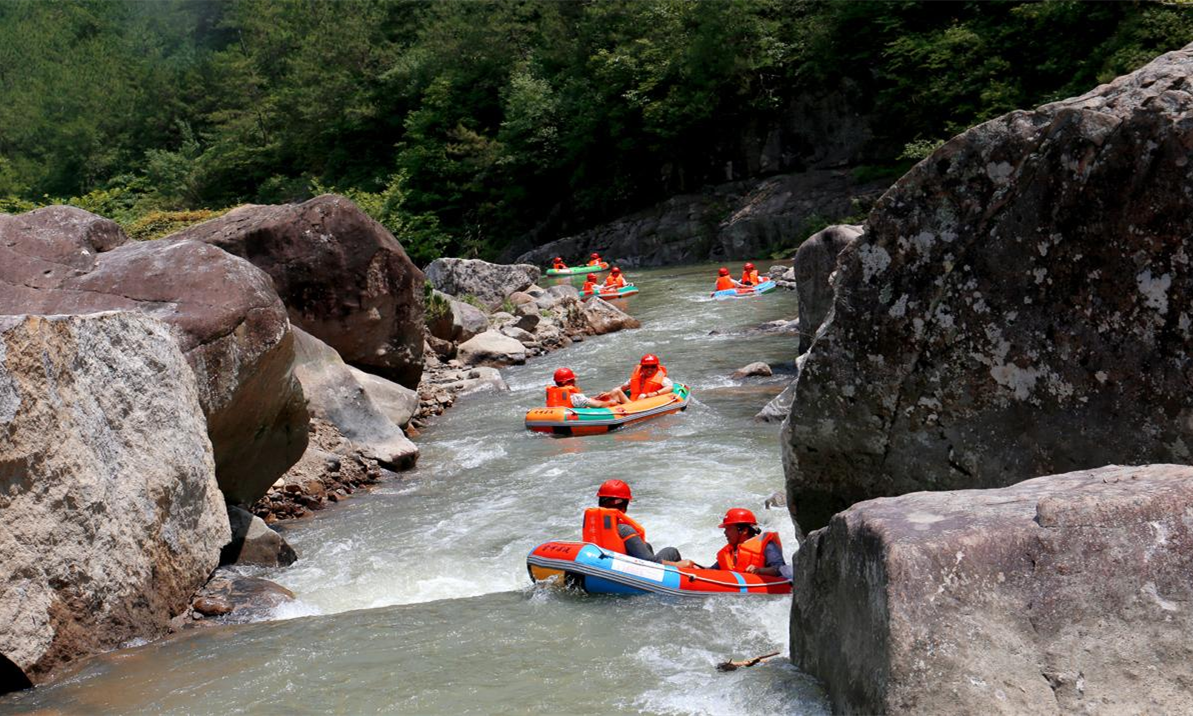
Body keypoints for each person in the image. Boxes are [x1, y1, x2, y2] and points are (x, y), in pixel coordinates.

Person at [582, 480, 683, 564]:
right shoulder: (624, 530)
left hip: (606, 567)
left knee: (646, 546)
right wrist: (678, 564)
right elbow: (649, 561)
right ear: (624, 505)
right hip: (635, 573)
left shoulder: (592, 528)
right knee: (671, 551)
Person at [675, 508, 786, 576]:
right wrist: (696, 567)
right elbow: (714, 571)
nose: (725, 533)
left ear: (744, 531)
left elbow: (780, 569)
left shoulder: (766, 545)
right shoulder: (730, 551)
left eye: (728, 529)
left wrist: (760, 571)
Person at [545, 367, 628, 408]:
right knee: (612, 403)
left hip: (558, 417)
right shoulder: (575, 396)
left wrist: (596, 398)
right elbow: (598, 405)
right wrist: (611, 403)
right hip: (570, 419)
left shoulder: (555, 394)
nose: (574, 382)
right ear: (565, 382)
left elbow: (581, 402)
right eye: (572, 380)